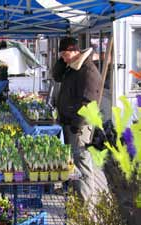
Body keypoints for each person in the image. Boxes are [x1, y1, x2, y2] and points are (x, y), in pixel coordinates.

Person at [52, 37, 106, 201]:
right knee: (71, 160)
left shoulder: (88, 70)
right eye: (61, 55)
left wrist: (77, 124)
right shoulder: (72, 67)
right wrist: (62, 61)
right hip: (68, 122)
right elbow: (56, 76)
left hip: (79, 127)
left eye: (65, 54)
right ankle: (74, 193)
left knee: (81, 162)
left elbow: (90, 102)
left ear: (75, 51)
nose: (63, 58)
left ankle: (85, 204)